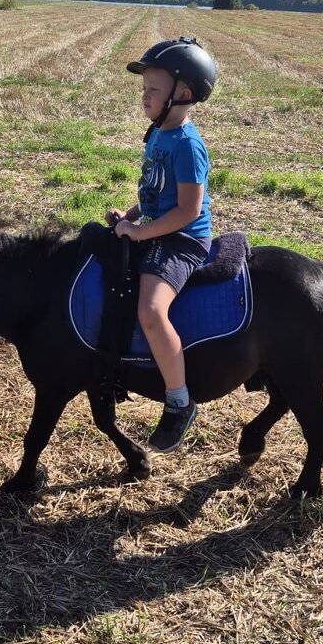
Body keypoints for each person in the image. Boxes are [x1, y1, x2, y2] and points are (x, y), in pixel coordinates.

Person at [105, 36, 216, 452]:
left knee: (151, 310)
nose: (144, 97)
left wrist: (139, 233)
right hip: (158, 227)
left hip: (184, 240)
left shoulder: (187, 145)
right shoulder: (158, 134)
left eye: (153, 90)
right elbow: (155, 191)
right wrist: (132, 217)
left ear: (183, 94)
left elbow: (187, 211)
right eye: (143, 89)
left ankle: (179, 400)